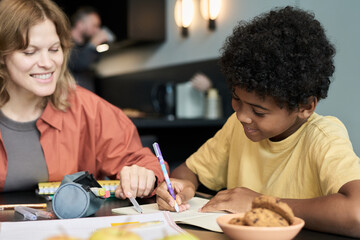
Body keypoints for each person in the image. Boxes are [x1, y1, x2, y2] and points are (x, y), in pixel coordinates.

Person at [155, 6, 360, 238]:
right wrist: (183, 186)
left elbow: (356, 213)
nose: (242, 115)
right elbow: (190, 171)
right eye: (236, 99)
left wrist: (263, 204)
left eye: (259, 111)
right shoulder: (237, 127)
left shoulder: (323, 137)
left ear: (305, 107)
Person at [0, 0, 167, 201]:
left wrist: (142, 174)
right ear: (2, 56)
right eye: (29, 52)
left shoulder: (88, 108)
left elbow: (141, 161)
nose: (47, 63)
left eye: (54, 49)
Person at [68, 6, 110, 92]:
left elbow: (95, 61)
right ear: (80, 25)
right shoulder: (65, 43)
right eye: (94, 26)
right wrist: (94, 43)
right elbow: (78, 63)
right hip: (72, 99)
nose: (97, 30)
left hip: (87, 98)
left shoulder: (85, 46)